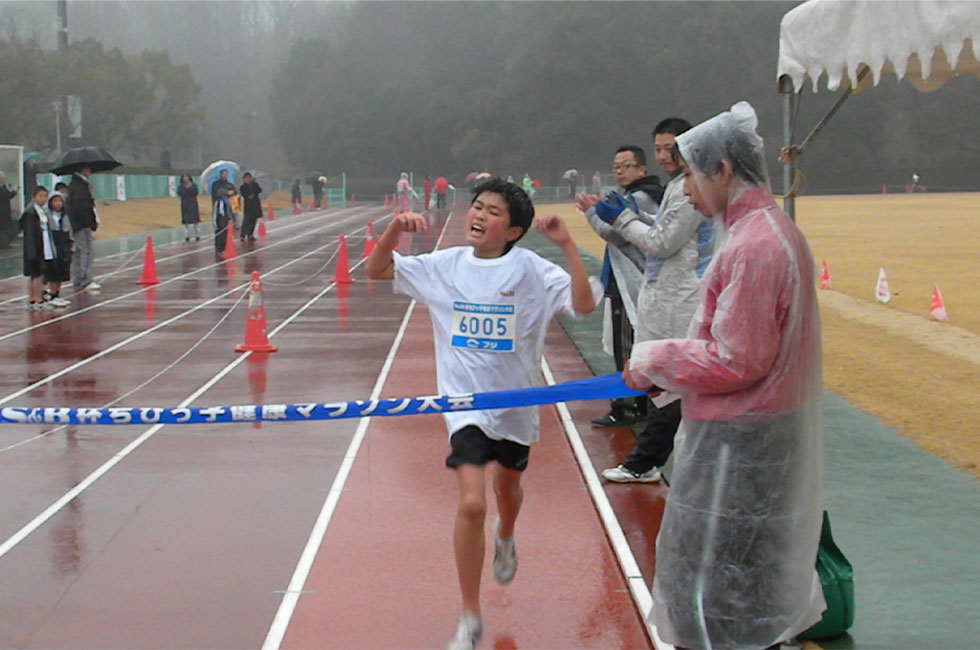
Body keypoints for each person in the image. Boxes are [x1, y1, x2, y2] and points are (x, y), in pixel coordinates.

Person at [365, 178, 600, 650]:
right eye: (477, 206)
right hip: (463, 407)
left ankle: (507, 534)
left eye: (492, 212)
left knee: (507, 490)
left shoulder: (531, 269)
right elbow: (376, 270)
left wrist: (568, 246)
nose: (478, 215)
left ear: (512, 230)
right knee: (471, 503)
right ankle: (470, 615)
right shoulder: (445, 266)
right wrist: (394, 230)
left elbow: (583, 304)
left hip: (514, 409)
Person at [623, 101, 825, 649]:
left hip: (741, 444)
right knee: (730, 581)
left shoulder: (757, 246)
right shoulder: (756, 233)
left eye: (689, 173)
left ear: (722, 172)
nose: (684, 190)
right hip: (748, 435)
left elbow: (739, 358)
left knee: (723, 589)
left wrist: (653, 359)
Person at [596, 118, 715, 483]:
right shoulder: (680, 185)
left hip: (683, 297)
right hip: (668, 294)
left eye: (671, 148)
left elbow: (664, 242)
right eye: (659, 147)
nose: (664, 155)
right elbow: (661, 230)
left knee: (671, 382)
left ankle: (645, 461)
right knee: (666, 381)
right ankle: (651, 460)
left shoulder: (691, 186)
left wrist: (622, 219)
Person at [576, 145, 662, 428]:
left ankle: (627, 406)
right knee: (637, 345)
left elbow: (616, 234)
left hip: (633, 281)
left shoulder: (640, 198)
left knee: (626, 347)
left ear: (642, 169)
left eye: (626, 165)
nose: (620, 171)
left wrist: (590, 212)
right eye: (616, 166)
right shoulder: (644, 195)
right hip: (637, 280)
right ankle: (642, 402)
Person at [66, 165, 100, 293]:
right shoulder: (79, 186)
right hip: (81, 223)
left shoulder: (77, 185)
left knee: (79, 251)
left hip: (78, 223)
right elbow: (82, 207)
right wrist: (90, 222)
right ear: (82, 170)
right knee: (86, 250)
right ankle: (85, 279)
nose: (90, 171)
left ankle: (79, 279)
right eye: (87, 169)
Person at [20, 186, 54, 310]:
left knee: (35, 274)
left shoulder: (40, 211)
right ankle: (37, 299)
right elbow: (29, 234)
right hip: (34, 247)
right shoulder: (31, 213)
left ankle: (33, 299)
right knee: (37, 274)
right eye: (40, 196)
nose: (43, 199)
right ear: (34, 197)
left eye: (45, 196)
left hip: (41, 245)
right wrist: (32, 251)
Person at [42, 192, 71, 308]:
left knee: (61, 270)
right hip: (51, 244)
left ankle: (56, 293)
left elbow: (69, 230)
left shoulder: (65, 216)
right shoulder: (47, 215)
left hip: (63, 244)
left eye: (60, 201)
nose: (58, 204)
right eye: (55, 201)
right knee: (51, 270)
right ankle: (50, 294)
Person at [239, 172, 263, 243]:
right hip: (248, 206)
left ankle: (250, 234)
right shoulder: (242, 187)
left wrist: (255, 185)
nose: (247, 179)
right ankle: (243, 234)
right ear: (243, 179)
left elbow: (259, 190)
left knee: (253, 221)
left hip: (255, 205)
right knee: (246, 220)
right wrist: (248, 195)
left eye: (249, 178)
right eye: (246, 178)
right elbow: (243, 194)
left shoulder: (254, 185)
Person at [177, 173, 201, 242]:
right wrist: (186, 188)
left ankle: (197, 234)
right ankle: (187, 235)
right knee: (186, 220)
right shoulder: (181, 186)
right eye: (184, 177)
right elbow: (180, 193)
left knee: (195, 220)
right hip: (185, 204)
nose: (185, 179)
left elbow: (196, 192)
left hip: (193, 203)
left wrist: (190, 188)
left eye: (186, 177)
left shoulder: (193, 185)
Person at [213, 186, 235, 254]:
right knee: (221, 233)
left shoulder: (226, 200)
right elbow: (220, 211)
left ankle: (223, 247)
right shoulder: (220, 201)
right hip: (220, 218)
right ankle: (219, 248)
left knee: (224, 233)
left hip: (225, 218)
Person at [0, 171, 18, 249]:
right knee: (2, 228)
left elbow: (7, 196)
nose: (3, 179)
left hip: (5, 210)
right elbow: (4, 196)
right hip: (1, 210)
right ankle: (3, 244)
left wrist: (14, 192)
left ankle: (5, 243)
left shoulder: (3, 186)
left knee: (5, 228)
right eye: (2, 178)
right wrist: (13, 191)